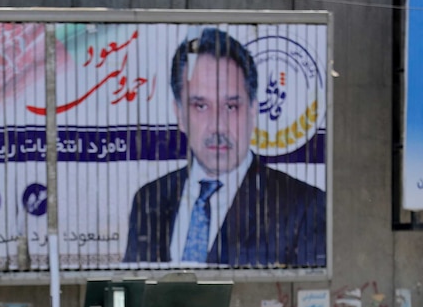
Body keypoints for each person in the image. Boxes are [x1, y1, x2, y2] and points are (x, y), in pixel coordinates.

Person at [123, 27, 326, 267]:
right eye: (200, 106)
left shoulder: (304, 206)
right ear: (179, 113)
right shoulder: (149, 200)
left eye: (231, 107)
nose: (217, 126)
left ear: (252, 110)